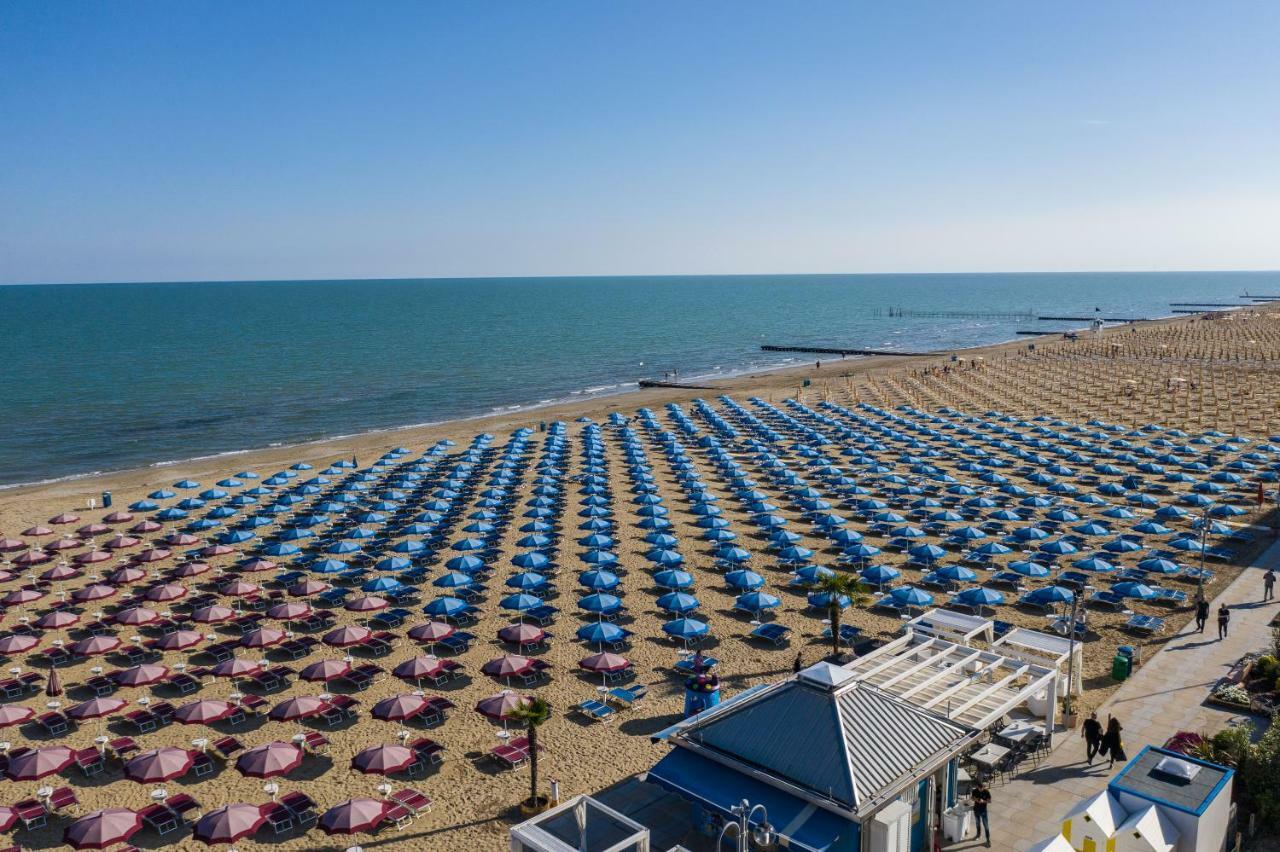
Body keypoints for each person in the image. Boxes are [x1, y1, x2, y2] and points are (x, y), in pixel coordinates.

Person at [970, 780, 991, 845]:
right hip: (976, 810)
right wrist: (976, 800)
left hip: (983, 811)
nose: (981, 789)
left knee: (986, 825)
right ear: (977, 787)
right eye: (980, 788)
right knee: (977, 823)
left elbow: (989, 801)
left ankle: (988, 839)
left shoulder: (986, 791)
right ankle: (978, 835)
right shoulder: (974, 791)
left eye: (982, 788)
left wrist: (983, 801)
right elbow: (972, 798)